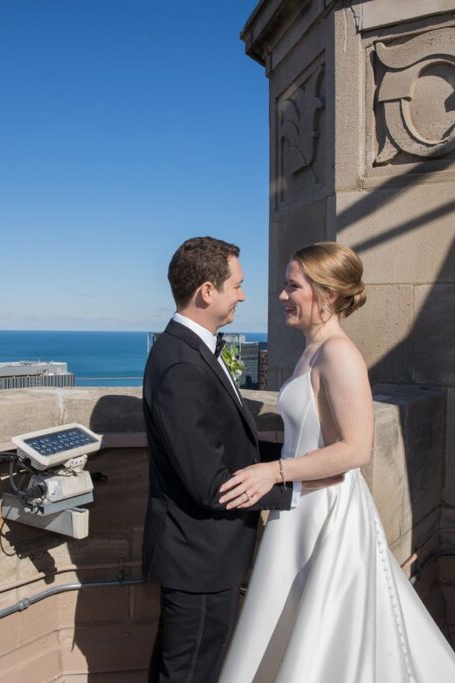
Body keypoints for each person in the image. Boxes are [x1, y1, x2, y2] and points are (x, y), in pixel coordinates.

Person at [216, 242, 455, 682]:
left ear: (328, 295)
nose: (281, 296)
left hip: (326, 512)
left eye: (293, 286)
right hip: (300, 507)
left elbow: (357, 449)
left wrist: (273, 471)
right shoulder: (312, 350)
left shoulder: (340, 354)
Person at [142, 236, 298, 683]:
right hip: (200, 561)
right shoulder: (181, 366)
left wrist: (290, 456)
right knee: (191, 674)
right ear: (207, 291)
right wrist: (296, 484)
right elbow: (212, 483)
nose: (244, 295)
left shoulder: (189, 352)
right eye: (237, 285)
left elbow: (225, 446)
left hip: (200, 557)